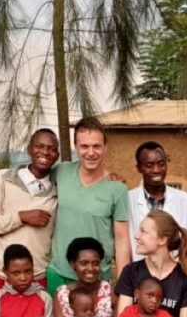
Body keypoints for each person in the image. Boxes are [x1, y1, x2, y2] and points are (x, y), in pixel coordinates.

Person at [45, 118, 131, 293]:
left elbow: (122, 240)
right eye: (84, 146)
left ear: (105, 148)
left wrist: (123, 287)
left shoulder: (117, 189)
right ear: (76, 147)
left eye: (96, 146)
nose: (91, 153)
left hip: (96, 279)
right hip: (59, 274)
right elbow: (32, 177)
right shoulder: (61, 172)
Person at [0, 128, 59, 293]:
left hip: (36, 278)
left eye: (52, 149)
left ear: (57, 155)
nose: (45, 152)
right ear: (29, 149)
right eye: (39, 146)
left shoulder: (58, 189)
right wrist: (21, 217)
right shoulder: (3, 178)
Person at [127, 141, 187, 260]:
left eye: (161, 164)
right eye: (149, 165)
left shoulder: (184, 201)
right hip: (138, 269)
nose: (156, 170)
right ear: (139, 168)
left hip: (175, 269)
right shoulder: (127, 200)